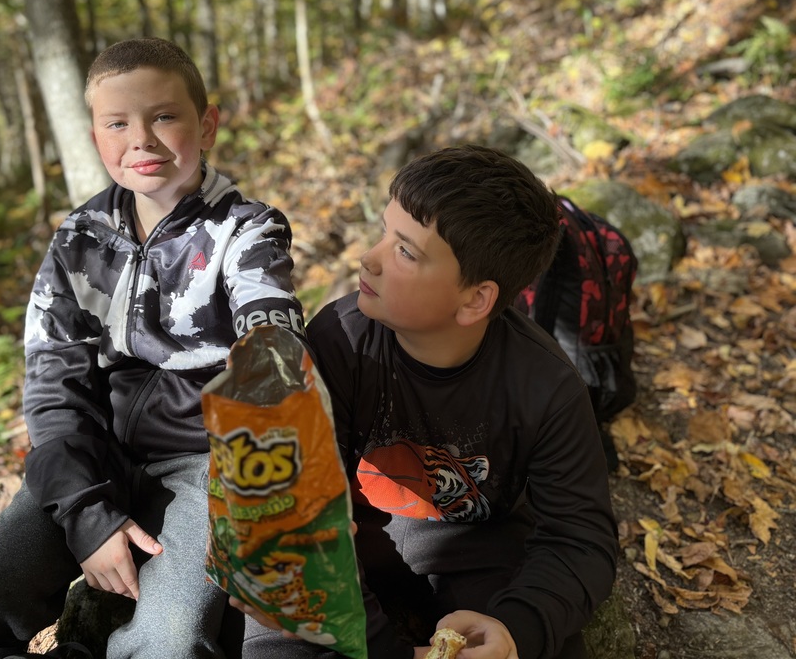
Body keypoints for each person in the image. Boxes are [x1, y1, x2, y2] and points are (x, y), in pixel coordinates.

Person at [0, 37, 305, 659]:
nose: (141, 140)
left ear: (207, 125)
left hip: (205, 467)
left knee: (169, 638)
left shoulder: (246, 231)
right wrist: (87, 515)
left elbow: (272, 342)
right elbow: (53, 385)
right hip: (96, 456)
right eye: (118, 124)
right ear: (95, 137)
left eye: (164, 116)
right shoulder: (79, 240)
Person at [239, 145, 618, 659]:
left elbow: (581, 538)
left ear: (475, 299)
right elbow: (293, 513)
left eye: (405, 252)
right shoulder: (339, 341)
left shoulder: (545, 386)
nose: (368, 258)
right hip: (347, 543)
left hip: (474, 551)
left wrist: (515, 630)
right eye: (384, 232)